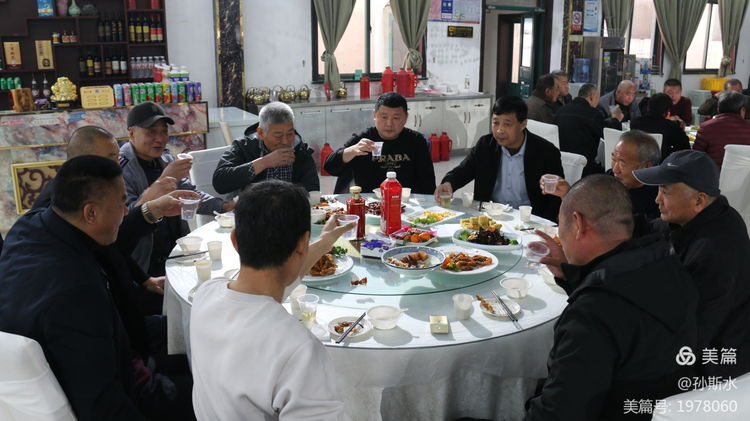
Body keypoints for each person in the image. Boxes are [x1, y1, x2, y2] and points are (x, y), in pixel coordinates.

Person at [0, 156, 195, 421]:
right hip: (110, 386)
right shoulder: (74, 293)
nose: (126, 212)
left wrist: (150, 212)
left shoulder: (31, 225)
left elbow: (111, 243)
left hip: (86, 353)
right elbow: (104, 405)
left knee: (188, 331)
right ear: (90, 213)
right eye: (122, 203)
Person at [525, 175, 698, 421]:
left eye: (561, 227)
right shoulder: (665, 260)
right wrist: (571, 274)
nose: (561, 238)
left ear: (578, 224)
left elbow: (558, 414)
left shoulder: (591, 313)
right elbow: (621, 306)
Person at [190, 180, 352, 420]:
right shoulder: (299, 350)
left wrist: (324, 242)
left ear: (235, 240)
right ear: (302, 244)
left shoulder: (206, 294)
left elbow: (266, 289)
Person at [633, 150, 750, 378]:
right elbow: (649, 228)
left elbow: (693, 330)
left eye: (665, 191)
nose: (657, 199)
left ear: (698, 200)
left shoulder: (714, 250)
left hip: (716, 357)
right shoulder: (704, 215)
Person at [120, 101, 233, 276]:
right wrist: (163, 179)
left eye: (164, 131)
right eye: (151, 132)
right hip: (143, 264)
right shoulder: (121, 168)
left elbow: (190, 194)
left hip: (176, 252)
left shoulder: (165, 158)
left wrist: (223, 206)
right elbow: (126, 220)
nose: (160, 138)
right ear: (131, 133)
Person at [435, 96, 564, 222]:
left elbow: (555, 199)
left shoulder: (546, 152)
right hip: (490, 218)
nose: (499, 130)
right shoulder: (485, 145)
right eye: (495, 123)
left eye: (507, 124)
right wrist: (448, 183)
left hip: (529, 221)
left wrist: (542, 226)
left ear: (523, 124)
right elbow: (463, 171)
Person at [323, 92, 436, 194]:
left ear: (406, 117)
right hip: (369, 202)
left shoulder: (416, 140)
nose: (389, 124)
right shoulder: (363, 139)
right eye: (384, 117)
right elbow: (329, 167)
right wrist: (352, 150)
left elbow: (428, 183)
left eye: (396, 118)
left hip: (406, 202)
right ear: (374, 115)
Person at [542, 130, 661, 220]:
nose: (615, 169)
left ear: (647, 167)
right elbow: (584, 208)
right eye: (614, 159)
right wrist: (567, 194)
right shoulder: (609, 178)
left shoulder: (659, 198)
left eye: (622, 163)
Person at [212, 101, 319, 195]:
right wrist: (264, 162)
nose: (286, 141)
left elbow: (312, 190)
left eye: (290, 134)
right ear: (261, 133)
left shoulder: (300, 149)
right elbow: (220, 182)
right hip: (251, 209)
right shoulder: (244, 147)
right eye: (278, 136)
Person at [554, 83, 605, 175]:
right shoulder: (593, 114)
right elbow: (605, 135)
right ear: (592, 97)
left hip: (560, 163)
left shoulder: (561, 110)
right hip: (585, 167)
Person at [693, 90, 750, 168]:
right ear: (742, 110)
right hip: (744, 175)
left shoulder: (706, 127)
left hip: (713, 174)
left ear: (718, 109)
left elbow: (695, 156)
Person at [631, 93, 691, 161]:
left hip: (637, 162)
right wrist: (681, 131)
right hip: (662, 164)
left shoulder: (635, 123)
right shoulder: (671, 127)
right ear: (667, 111)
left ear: (648, 107)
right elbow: (685, 149)